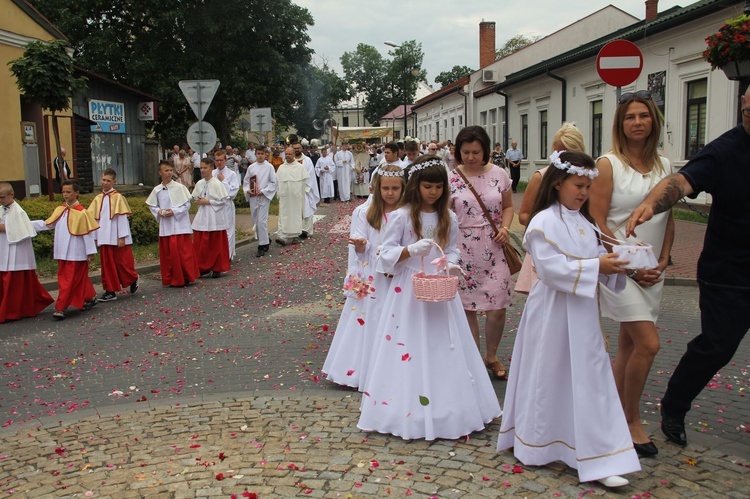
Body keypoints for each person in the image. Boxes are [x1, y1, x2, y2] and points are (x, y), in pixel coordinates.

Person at [497, 151, 639, 488]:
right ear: (558, 183)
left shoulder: (586, 222)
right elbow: (549, 269)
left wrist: (617, 264)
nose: (584, 193)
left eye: (589, 187)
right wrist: (596, 268)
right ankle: (539, 442)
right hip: (552, 312)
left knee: (590, 378)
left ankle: (599, 455)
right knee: (548, 374)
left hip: (583, 312)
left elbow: (596, 260)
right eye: (579, 185)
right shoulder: (543, 222)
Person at [626, 85, 750, 448]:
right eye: (746, 110)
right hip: (729, 272)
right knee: (718, 346)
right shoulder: (724, 151)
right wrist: (650, 204)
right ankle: (675, 404)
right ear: (742, 104)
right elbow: (679, 182)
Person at [357, 155, 501, 441]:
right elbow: (384, 254)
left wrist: (451, 262)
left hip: (440, 288)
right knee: (409, 342)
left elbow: (453, 248)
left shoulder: (449, 217)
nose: (433, 192)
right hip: (408, 290)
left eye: (438, 187)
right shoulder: (401, 216)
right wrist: (410, 251)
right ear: (416, 186)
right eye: (427, 187)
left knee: (443, 344)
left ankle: (450, 406)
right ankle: (405, 407)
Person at [590, 91, 674, 457]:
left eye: (643, 116)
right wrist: (628, 264)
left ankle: (610, 413)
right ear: (619, 124)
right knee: (648, 343)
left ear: (653, 121)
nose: (637, 122)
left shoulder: (665, 168)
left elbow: (667, 219)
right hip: (621, 271)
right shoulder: (608, 164)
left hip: (653, 270)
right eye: (629, 117)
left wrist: (665, 261)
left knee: (629, 346)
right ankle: (631, 420)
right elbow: (596, 220)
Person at [323, 164, 406, 389]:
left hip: (398, 272)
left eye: (395, 188)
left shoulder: (407, 212)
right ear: (377, 189)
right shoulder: (365, 212)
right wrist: (361, 245)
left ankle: (396, 369)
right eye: (385, 188)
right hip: (374, 274)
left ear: (403, 188)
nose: (390, 193)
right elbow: (359, 246)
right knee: (372, 318)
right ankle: (366, 369)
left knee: (397, 319)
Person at [449, 126, 514, 380]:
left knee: (498, 307)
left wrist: (506, 228)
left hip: (495, 244)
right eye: (466, 152)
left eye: (476, 152)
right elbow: (445, 214)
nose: (471, 157)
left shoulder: (500, 174)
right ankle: (473, 358)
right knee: (468, 308)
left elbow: (508, 206)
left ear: (485, 150)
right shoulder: (451, 178)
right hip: (463, 247)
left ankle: (492, 354)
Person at [516, 123, 586, 294]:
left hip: (577, 247)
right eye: (557, 153)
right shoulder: (541, 177)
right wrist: (547, 223)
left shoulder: (587, 178)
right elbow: (523, 215)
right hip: (548, 247)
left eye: (567, 153)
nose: (561, 158)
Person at [34, 180, 99, 320]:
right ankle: (89, 297)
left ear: (76, 193)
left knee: (68, 281)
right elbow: (48, 224)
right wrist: (25, 225)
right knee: (76, 280)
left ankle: (61, 307)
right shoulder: (60, 209)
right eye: (63, 192)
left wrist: (90, 252)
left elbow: (87, 234)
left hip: (77, 253)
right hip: (62, 252)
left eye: (68, 192)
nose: (65, 195)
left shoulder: (82, 213)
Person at [0, 182, 53, 323]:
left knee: (14, 285)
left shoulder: (18, 211)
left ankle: (12, 311)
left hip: (16, 253)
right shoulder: (3, 208)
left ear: (11, 195)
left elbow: (13, 227)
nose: (0, 200)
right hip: (4, 249)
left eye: (2, 197)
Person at [87, 168, 139, 302]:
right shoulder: (97, 198)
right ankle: (110, 290)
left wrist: (122, 237)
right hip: (103, 237)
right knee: (107, 266)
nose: (105, 183)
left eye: (108, 181)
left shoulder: (118, 198)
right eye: (103, 180)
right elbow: (93, 220)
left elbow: (121, 218)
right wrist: (94, 238)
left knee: (122, 263)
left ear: (114, 182)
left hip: (116, 236)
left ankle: (133, 278)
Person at [146, 161, 199, 287]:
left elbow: (186, 205)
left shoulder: (180, 187)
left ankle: (185, 276)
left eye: (171, 170)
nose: (169, 173)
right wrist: (159, 212)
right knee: (169, 255)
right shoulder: (157, 190)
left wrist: (174, 211)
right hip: (166, 226)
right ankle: (172, 278)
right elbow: (152, 206)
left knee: (182, 253)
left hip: (179, 226)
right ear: (160, 173)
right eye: (166, 170)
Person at [191, 158, 231, 278]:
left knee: (215, 243)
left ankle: (217, 267)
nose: (202, 170)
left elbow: (223, 201)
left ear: (211, 168)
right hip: (203, 215)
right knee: (202, 243)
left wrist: (208, 202)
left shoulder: (217, 183)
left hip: (214, 215)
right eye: (201, 168)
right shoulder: (200, 183)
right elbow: (195, 197)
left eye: (205, 168)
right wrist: (198, 201)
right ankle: (203, 266)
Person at [243, 145, 278, 257]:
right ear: (255, 154)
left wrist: (264, 191)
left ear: (265, 154)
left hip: (263, 197)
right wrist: (249, 190)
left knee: (261, 221)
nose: (260, 156)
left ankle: (261, 246)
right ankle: (266, 238)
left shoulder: (269, 167)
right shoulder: (251, 167)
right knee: (255, 221)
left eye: (262, 154)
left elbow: (273, 183)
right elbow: (246, 182)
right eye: (258, 153)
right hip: (254, 197)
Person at [275, 146, 308, 246]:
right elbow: (277, 182)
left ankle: (294, 236)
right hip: (285, 197)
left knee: (295, 215)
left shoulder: (300, 167)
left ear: (293, 155)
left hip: (295, 197)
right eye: (286, 154)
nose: (288, 156)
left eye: (289, 154)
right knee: (284, 215)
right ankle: (282, 235)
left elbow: (303, 184)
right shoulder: (281, 167)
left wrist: (299, 194)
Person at [212, 150, 240, 260]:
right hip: (214, 205)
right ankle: (218, 254)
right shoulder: (212, 173)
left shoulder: (231, 174)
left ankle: (227, 255)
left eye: (221, 160)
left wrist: (224, 181)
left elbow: (233, 192)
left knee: (228, 229)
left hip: (226, 204)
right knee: (217, 230)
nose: (219, 163)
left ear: (225, 160)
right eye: (217, 160)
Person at [292, 141, 320, 239]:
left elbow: (310, 175)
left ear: (301, 148)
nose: (297, 150)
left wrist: (303, 186)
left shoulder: (307, 160)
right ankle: (296, 231)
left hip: (305, 190)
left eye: (298, 148)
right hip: (293, 191)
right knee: (295, 212)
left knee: (307, 210)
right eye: (294, 148)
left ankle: (307, 231)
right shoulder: (290, 160)